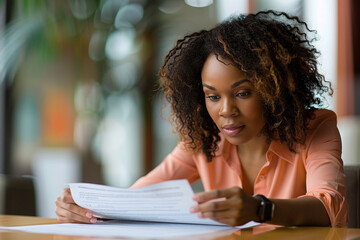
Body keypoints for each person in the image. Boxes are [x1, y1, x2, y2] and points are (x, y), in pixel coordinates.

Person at [55, 10, 348, 227]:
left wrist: (260, 210)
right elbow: (135, 200)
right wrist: (84, 207)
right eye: (213, 96)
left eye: (243, 93)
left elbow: (328, 207)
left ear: (274, 89)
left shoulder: (315, 128)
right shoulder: (204, 140)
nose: (226, 111)